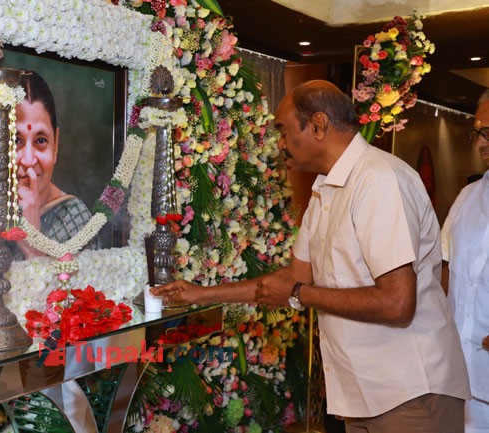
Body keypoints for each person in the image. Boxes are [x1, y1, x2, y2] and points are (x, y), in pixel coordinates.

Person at [153, 80, 470, 433]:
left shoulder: (378, 179)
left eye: (284, 131)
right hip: (364, 393)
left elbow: (397, 303)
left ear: (318, 125)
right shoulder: (325, 190)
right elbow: (292, 279)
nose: (281, 144)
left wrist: (298, 295)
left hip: (410, 389)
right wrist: (199, 294)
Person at [0, 71, 92, 268]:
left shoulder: (75, 217)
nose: (27, 160)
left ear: (55, 145)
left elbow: (83, 288)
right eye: (16, 140)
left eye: (41, 140)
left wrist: (33, 248)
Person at [441, 89, 489, 433]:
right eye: (477, 132)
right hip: (462, 381)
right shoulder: (467, 198)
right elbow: (443, 271)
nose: (480, 142)